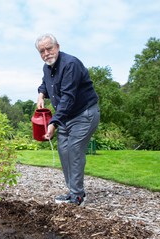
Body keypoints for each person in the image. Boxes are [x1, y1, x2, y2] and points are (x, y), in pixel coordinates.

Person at [35, 33, 100, 206]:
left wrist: (54, 123)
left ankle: (78, 196)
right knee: (64, 152)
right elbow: (45, 84)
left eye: (49, 48)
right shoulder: (47, 68)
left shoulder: (70, 64)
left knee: (74, 150)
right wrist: (41, 94)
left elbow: (68, 98)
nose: (46, 53)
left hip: (84, 114)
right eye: (42, 51)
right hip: (66, 116)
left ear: (57, 47)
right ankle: (73, 191)